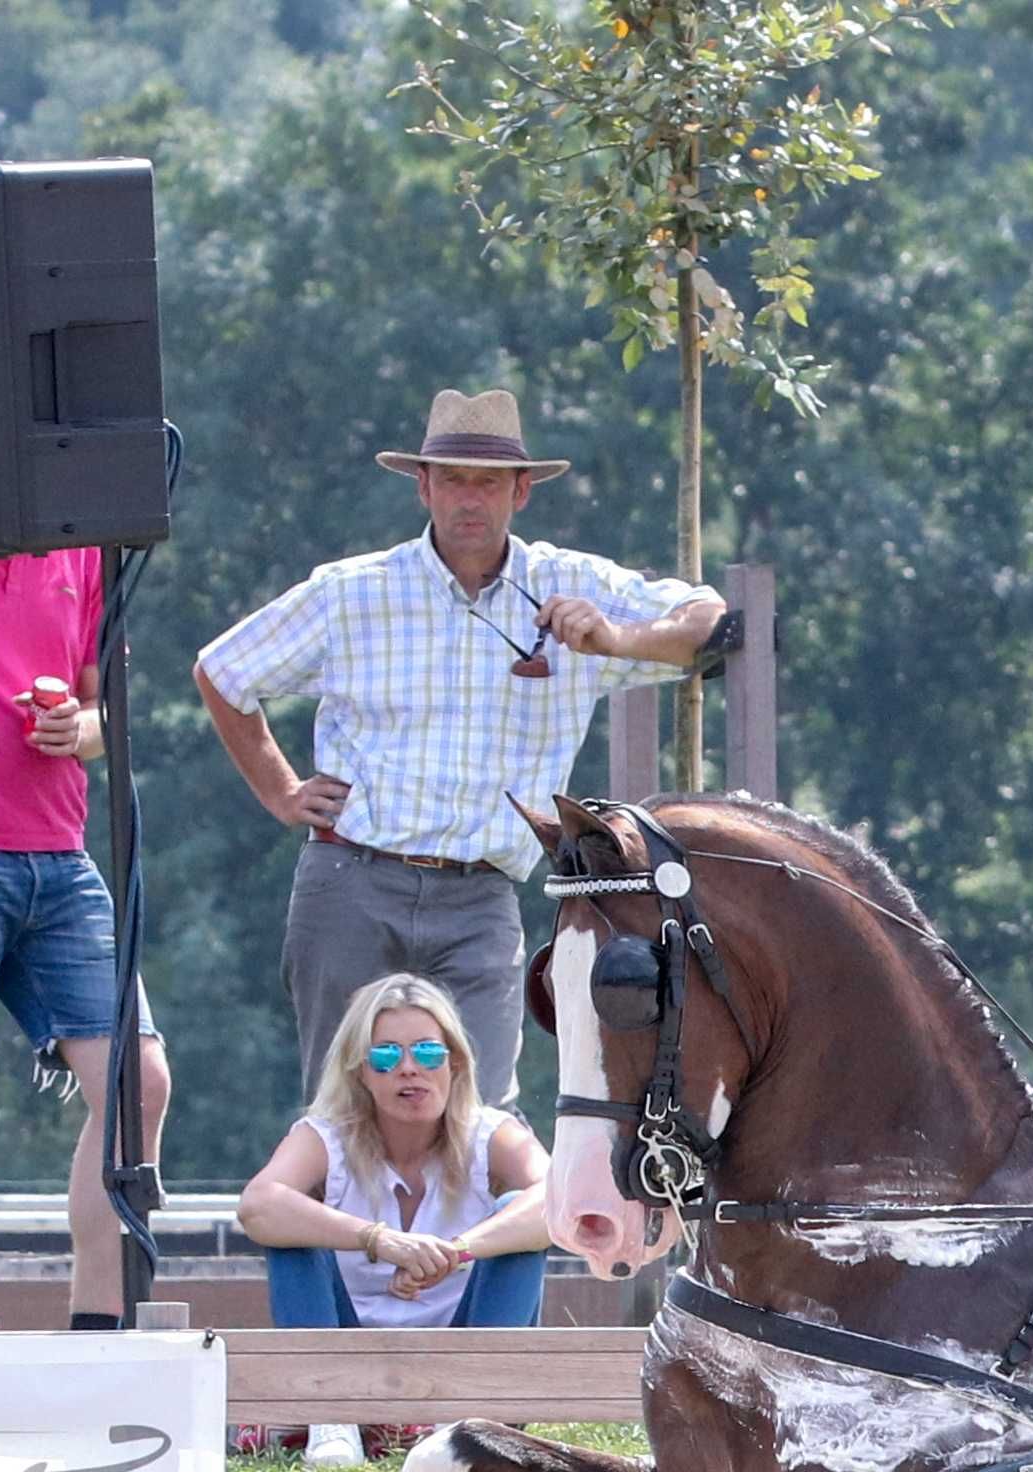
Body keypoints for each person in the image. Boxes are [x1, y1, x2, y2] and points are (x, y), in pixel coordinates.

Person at [194, 389, 728, 1105]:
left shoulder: (573, 586)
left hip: (483, 895)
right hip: (353, 880)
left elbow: (709, 620)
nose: (467, 500)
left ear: (522, 491)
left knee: (479, 1116)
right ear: (422, 485)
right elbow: (223, 672)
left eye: (487, 482)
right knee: (340, 1105)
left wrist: (614, 638)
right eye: (451, 478)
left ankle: (468, 1221)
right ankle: (352, 1224)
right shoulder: (352, 592)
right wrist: (282, 792)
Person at [236, 974, 550, 1463]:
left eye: (427, 1053)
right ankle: (331, 1419)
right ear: (361, 1072)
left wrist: (458, 1251)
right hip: (349, 1352)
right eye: (385, 1056)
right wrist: (381, 1241)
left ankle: (471, 1422)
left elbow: (558, 1202)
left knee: (518, 1221)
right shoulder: (326, 1137)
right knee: (291, 1225)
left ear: (455, 1064)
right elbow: (259, 1205)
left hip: (461, 1351)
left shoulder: (492, 1133)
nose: (409, 1070)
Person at [0, 546, 169, 1325]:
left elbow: (108, 714)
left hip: (59, 863)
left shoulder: (83, 544)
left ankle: (100, 1334)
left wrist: (80, 726)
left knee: (140, 1083)